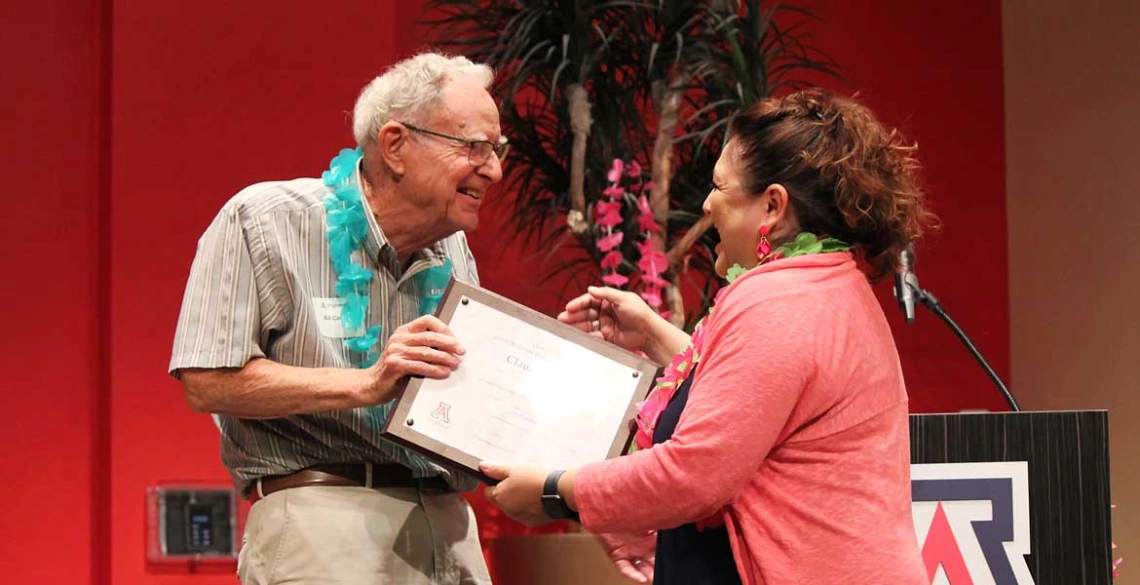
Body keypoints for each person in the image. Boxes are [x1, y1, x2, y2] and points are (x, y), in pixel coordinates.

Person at [480, 89, 934, 585]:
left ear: (772, 207)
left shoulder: (778, 301)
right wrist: (654, 335)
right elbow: (755, 401)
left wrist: (555, 492)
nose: (706, 203)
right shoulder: (824, 282)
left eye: (720, 187)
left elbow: (693, 473)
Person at [169, 52, 507, 585]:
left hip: (450, 529)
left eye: (498, 149)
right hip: (323, 519)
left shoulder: (454, 251)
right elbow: (207, 381)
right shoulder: (264, 220)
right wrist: (367, 383)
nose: (494, 168)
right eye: (475, 147)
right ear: (395, 145)